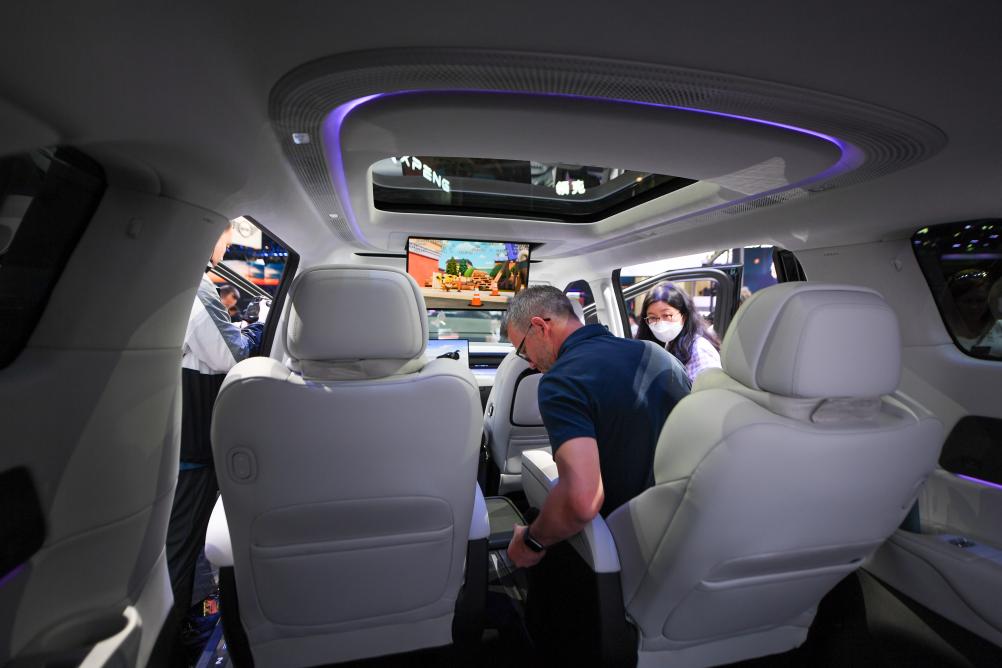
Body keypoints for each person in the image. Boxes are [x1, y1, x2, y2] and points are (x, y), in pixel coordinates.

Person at [504, 285, 690, 569]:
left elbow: (582, 501)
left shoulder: (561, 381)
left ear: (540, 326)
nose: (529, 363)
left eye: (523, 350)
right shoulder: (659, 355)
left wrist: (531, 541)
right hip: (684, 530)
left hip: (621, 543)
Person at [165, 227, 267, 665]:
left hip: (182, 443)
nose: (225, 247)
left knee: (180, 547)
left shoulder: (177, 280)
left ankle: (180, 629)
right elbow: (234, 354)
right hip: (192, 451)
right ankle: (173, 642)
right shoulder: (196, 284)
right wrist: (259, 324)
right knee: (181, 549)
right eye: (225, 235)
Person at [635, 282, 721, 382]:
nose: (660, 323)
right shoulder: (667, 344)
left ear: (684, 316)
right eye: (653, 318)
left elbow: (711, 389)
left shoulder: (699, 349)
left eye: (667, 315)